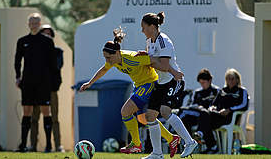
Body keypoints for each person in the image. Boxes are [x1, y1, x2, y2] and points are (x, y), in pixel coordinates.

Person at [79, 27, 181, 157]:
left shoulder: (132, 58)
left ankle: (136, 144)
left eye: (109, 58)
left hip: (150, 83)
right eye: (105, 58)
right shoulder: (114, 61)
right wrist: (90, 83)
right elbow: (103, 70)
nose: (107, 61)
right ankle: (172, 139)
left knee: (125, 111)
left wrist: (174, 72)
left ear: (117, 53)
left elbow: (155, 60)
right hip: (139, 86)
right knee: (144, 119)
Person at [140, 12, 198, 159]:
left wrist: (149, 59)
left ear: (153, 27)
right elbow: (152, 63)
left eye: (144, 27)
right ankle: (157, 153)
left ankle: (190, 142)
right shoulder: (149, 42)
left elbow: (164, 66)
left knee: (165, 111)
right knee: (150, 116)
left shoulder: (164, 41)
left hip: (174, 81)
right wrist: (145, 59)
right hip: (160, 83)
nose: (142, 31)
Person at [14, 13, 56, 152]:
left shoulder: (47, 41)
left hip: (43, 82)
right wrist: (18, 77)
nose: (33, 25)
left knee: (46, 111)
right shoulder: (22, 41)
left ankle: (49, 145)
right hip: (27, 82)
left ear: (40, 24)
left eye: (36, 23)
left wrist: (52, 82)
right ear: (28, 24)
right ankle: (23, 145)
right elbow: (17, 60)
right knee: (27, 111)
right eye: (31, 23)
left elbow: (53, 64)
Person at [195, 68, 249, 154]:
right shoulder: (223, 91)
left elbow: (244, 105)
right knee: (204, 113)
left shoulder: (242, 91)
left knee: (206, 120)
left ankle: (209, 143)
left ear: (237, 79)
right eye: (228, 78)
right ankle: (211, 145)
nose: (230, 81)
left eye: (232, 78)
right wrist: (212, 108)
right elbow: (213, 104)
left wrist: (230, 110)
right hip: (219, 116)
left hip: (231, 118)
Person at [30, 24, 64, 152]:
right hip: (37, 90)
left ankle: (58, 145)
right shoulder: (34, 52)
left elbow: (56, 67)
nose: (46, 36)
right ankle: (32, 145)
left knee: (54, 118)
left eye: (49, 34)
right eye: (44, 34)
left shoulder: (58, 52)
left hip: (51, 90)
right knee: (34, 118)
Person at [178, 68, 220, 136]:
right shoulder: (197, 92)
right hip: (197, 115)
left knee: (182, 111)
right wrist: (198, 107)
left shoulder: (216, 91)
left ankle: (172, 130)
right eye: (201, 83)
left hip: (209, 116)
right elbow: (192, 105)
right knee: (185, 118)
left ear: (210, 80)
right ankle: (188, 141)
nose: (202, 85)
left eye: (204, 82)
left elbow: (218, 105)